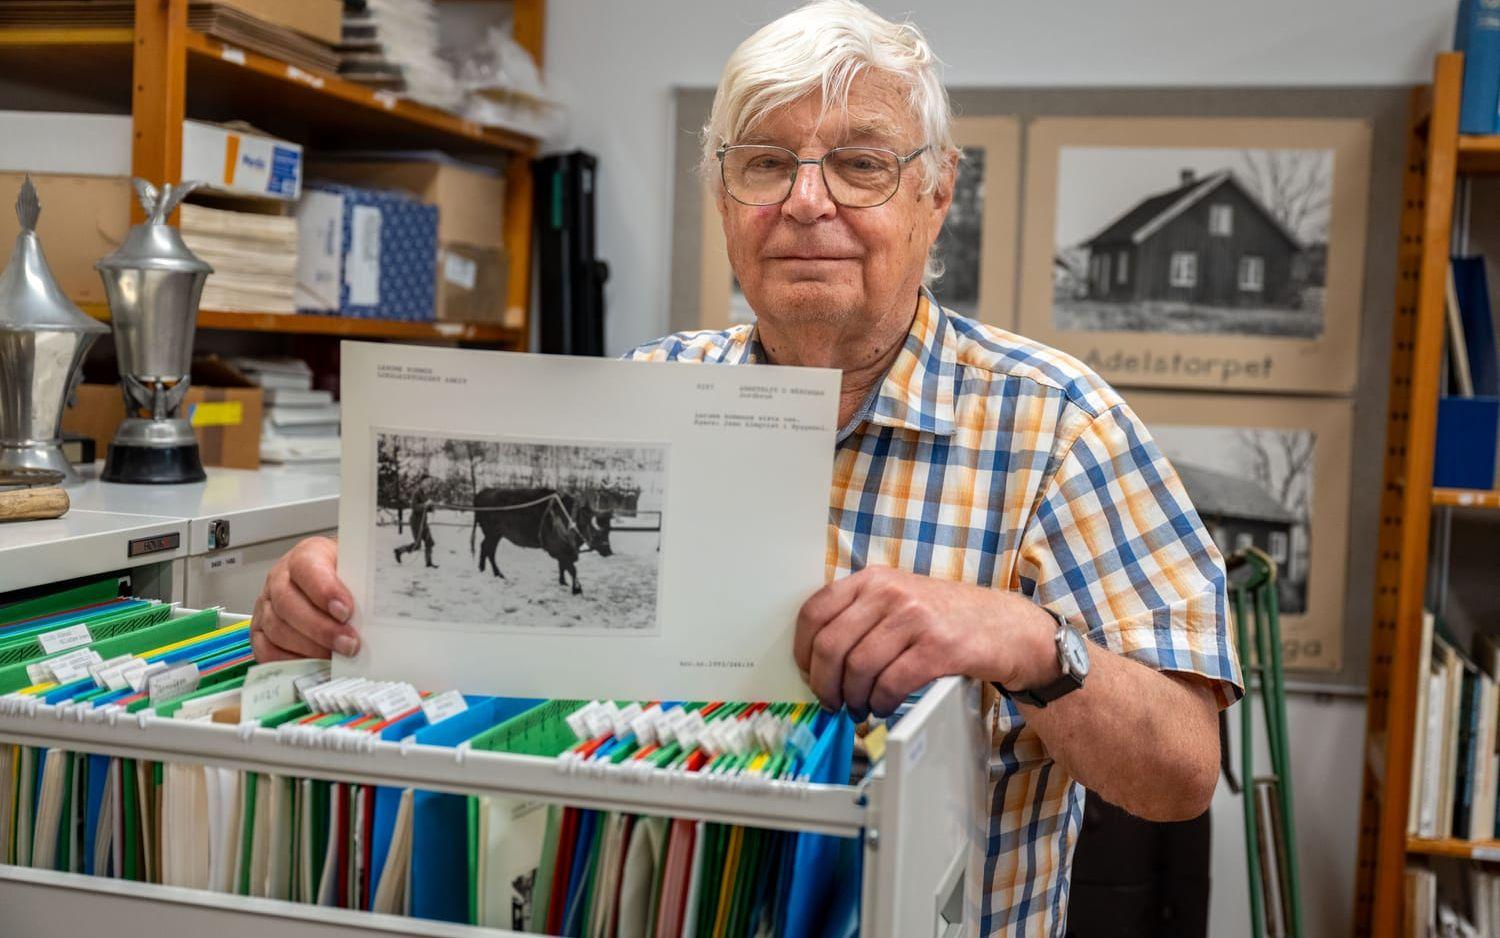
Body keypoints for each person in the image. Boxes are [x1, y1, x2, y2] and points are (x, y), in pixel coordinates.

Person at [250, 2, 1242, 933]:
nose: (807, 202)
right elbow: (496, 664)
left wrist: (1030, 636)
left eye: (859, 164)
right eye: (767, 162)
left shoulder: (1058, 424)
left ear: (937, 196)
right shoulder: (650, 385)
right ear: (724, 195)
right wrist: (351, 600)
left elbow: (1185, 769)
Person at [392, 480, 437, 568]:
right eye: (426, 484)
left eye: (428, 484)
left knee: (429, 542)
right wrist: (425, 505)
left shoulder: (426, 494)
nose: (427, 486)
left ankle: (429, 563)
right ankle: (399, 551)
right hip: (416, 522)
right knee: (417, 545)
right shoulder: (416, 494)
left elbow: (427, 508)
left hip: (423, 522)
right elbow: (414, 507)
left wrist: (431, 507)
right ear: (422, 484)